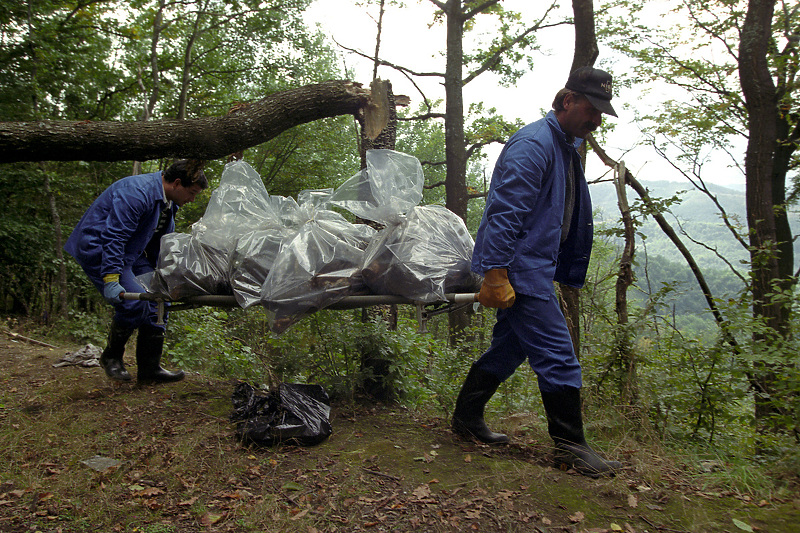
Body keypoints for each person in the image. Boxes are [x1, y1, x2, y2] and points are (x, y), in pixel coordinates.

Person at [452, 66, 622, 478]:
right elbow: (504, 213)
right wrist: (495, 273)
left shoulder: (562, 144)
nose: (597, 119)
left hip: (535, 268)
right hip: (520, 271)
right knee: (560, 359)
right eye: (591, 108)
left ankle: (465, 419)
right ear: (567, 101)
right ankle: (570, 448)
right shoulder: (534, 143)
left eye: (602, 111)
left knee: (509, 349)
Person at [65, 159, 209, 384]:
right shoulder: (137, 193)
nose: (192, 199)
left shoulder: (168, 202)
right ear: (177, 183)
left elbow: (157, 241)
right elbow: (115, 236)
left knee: (160, 300)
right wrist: (112, 278)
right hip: (101, 249)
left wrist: (164, 277)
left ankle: (150, 369)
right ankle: (111, 356)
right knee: (133, 302)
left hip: (131, 253)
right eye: (191, 193)